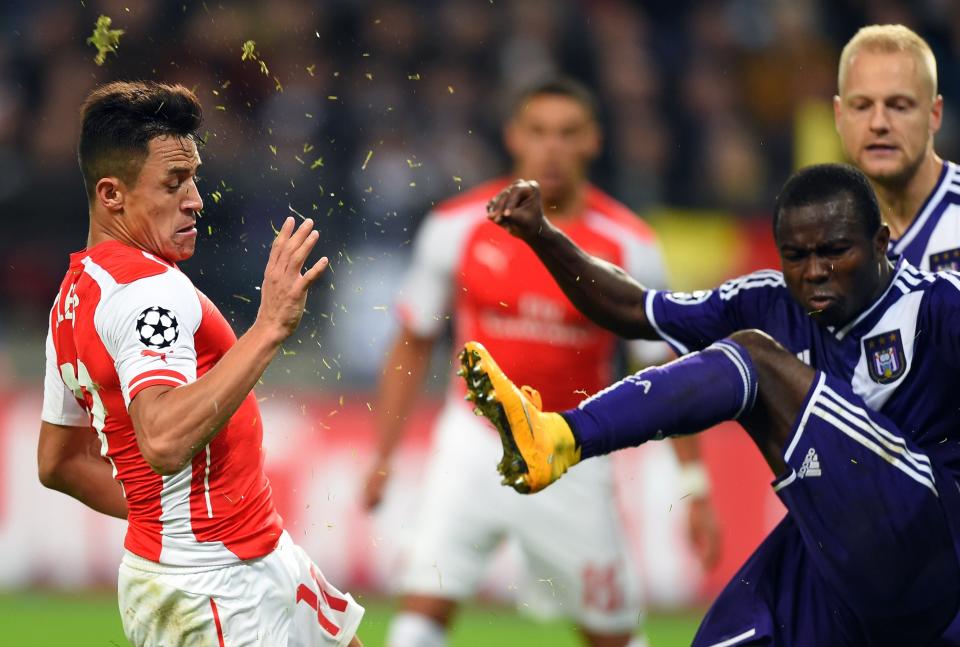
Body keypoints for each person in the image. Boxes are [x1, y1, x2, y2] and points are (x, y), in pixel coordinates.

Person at [468, 164, 960, 646]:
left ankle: (561, 437)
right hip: (835, 556)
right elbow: (634, 309)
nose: (814, 272)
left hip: (927, 545)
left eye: (834, 252)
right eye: (796, 255)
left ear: (880, 243)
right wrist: (544, 237)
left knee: (755, 358)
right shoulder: (769, 301)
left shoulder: (937, 306)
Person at [361, 78, 721, 647]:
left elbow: (663, 371)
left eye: (568, 133)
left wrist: (693, 485)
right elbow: (413, 339)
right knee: (420, 614)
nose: (551, 147)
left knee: (613, 634)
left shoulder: (630, 245)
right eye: (539, 132)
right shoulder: (456, 227)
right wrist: (383, 455)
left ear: (593, 141)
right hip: (472, 446)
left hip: (569, 449)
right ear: (514, 137)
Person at [37, 81, 364, 646]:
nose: (195, 199)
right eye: (173, 183)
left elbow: (58, 461)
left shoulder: (74, 295)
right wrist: (268, 329)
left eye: (193, 178)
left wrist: (168, 522)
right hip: (213, 587)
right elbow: (161, 439)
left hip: (251, 552)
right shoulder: (147, 293)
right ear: (112, 194)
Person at [834, 24, 960, 270]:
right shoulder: (825, 239)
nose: (879, 123)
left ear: (934, 114)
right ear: (839, 115)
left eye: (899, 106)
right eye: (862, 106)